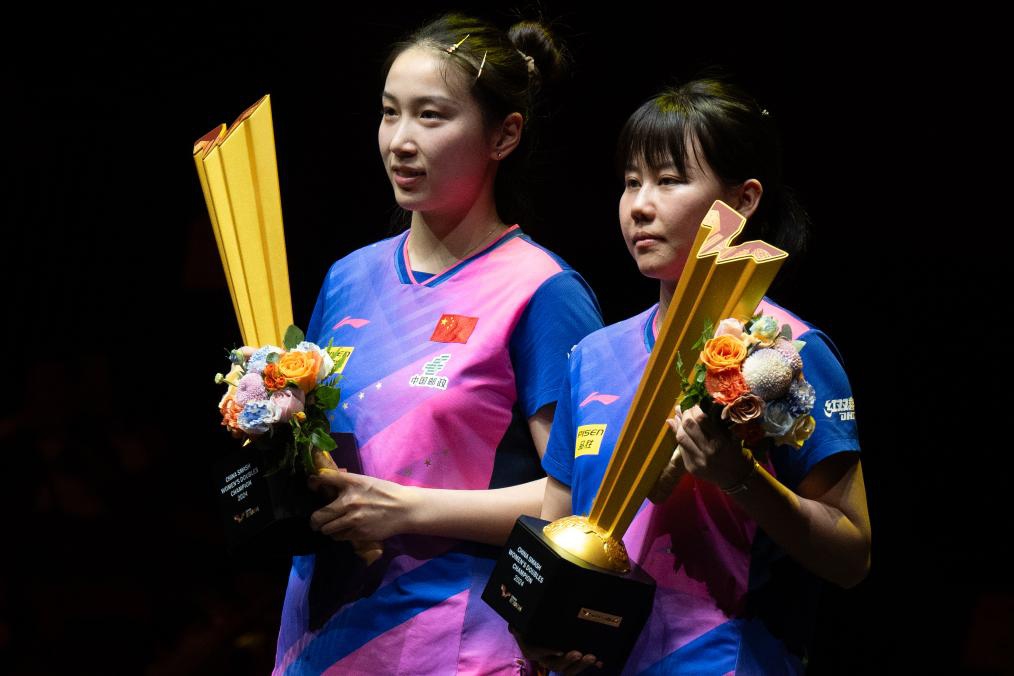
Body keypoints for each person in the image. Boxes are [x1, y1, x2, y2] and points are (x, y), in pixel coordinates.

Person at [271, 13, 604, 675]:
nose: (400, 141)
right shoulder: (347, 277)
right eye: (389, 113)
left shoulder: (541, 291)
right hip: (318, 636)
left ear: (504, 135)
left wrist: (409, 509)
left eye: (431, 116)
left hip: (454, 644)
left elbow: (586, 497)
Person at [529, 79, 871, 675]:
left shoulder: (790, 350)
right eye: (632, 181)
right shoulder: (591, 355)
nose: (640, 204)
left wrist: (740, 479)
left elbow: (851, 555)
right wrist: (542, 629)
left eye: (669, 180)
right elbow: (562, 518)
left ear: (742, 201)